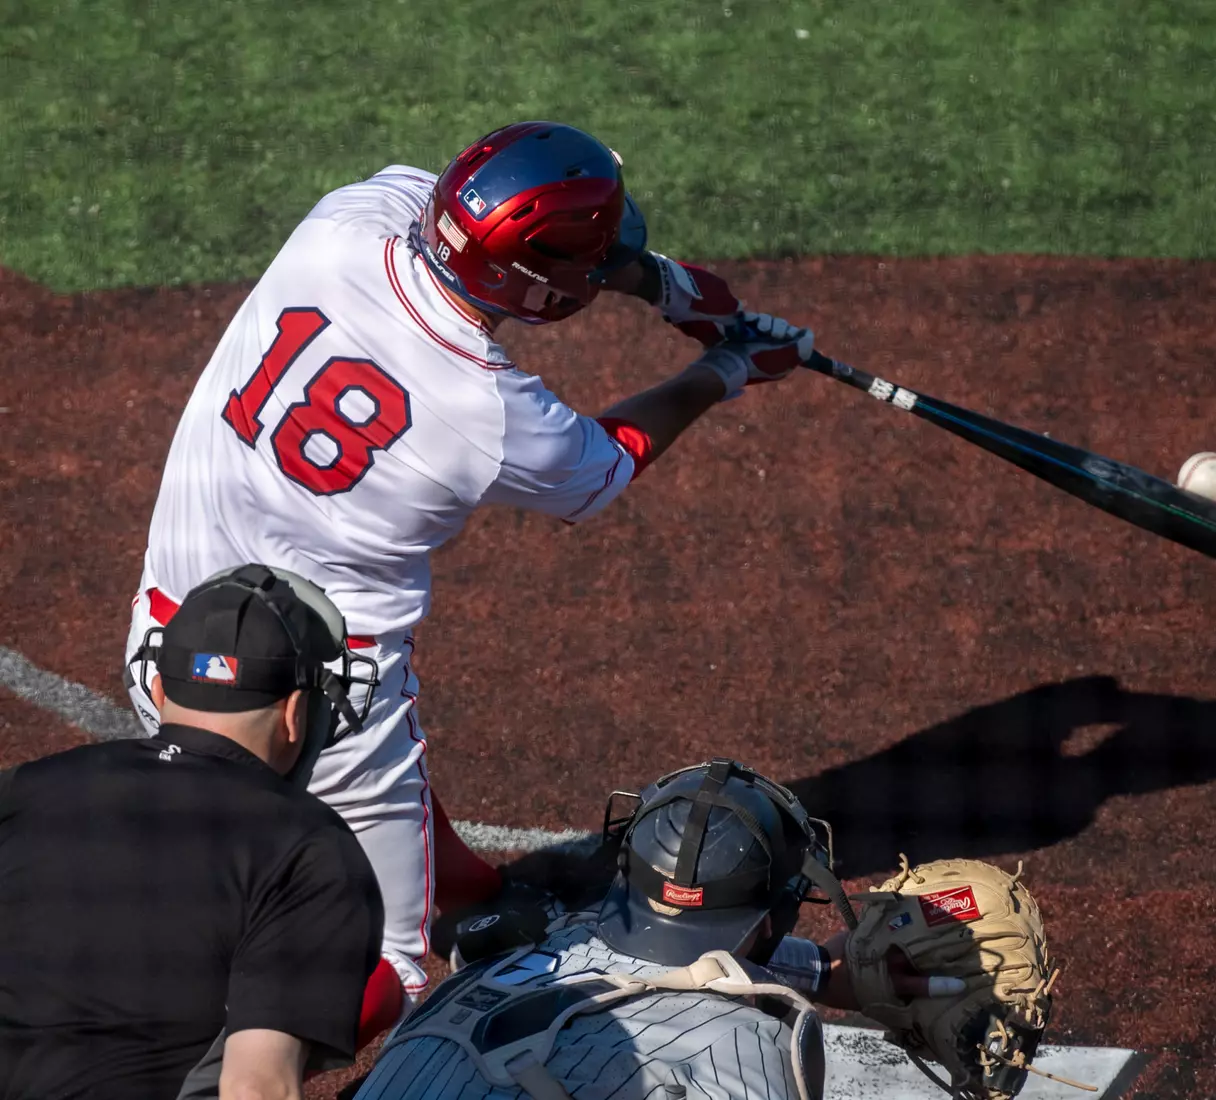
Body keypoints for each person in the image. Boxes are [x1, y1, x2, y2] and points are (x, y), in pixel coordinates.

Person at [122, 119, 818, 1012]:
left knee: (361, 808)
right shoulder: (489, 411)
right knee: (395, 968)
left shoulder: (341, 224)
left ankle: (482, 897)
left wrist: (661, 284)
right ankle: (234, 1072)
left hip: (170, 643)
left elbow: (456, 214)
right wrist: (724, 364)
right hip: (322, 700)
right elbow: (605, 465)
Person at [346, 759, 961, 1100]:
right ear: (774, 917)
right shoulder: (744, 1050)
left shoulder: (499, 953)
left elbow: (656, 966)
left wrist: (825, 972)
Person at [0, 564, 387, 1100]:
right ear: (296, 713)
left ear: (158, 690)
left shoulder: (22, 790)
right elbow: (257, 1090)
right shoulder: (311, 851)